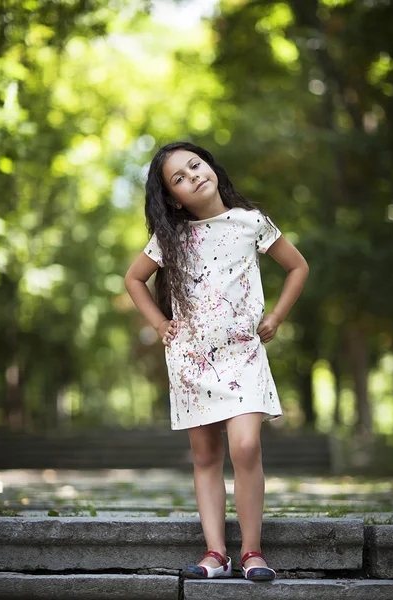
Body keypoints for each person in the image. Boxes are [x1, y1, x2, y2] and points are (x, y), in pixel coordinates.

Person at [124, 141, 309, 581]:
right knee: (206, 456)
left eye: (194, 165)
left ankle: (251, 553)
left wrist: (277, 317)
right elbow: (133, 279)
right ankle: (215, 553)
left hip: (242, 353)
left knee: (245, 446)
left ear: (209, 165)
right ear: (173, 197)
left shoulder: (252, 223)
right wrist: (158, 323)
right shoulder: (171, 238)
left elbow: (298, 267)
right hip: (190, 358)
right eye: (179, 178)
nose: (193, 176)